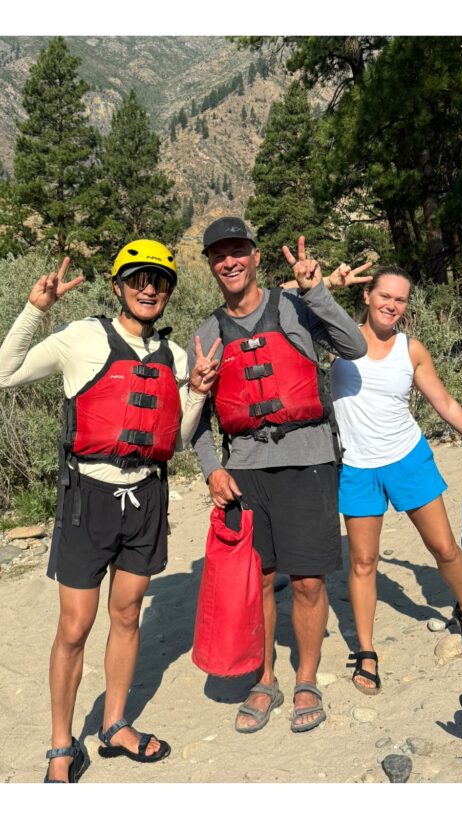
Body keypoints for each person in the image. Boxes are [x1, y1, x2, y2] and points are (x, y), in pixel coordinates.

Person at [0, 241, 219, 782]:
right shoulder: (83, 338)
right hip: (88, 502)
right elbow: (4, 374)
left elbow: (180, 440)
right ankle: (59, 746)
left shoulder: (176, 357)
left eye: (160, 281)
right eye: (138, 278)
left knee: (127, 614)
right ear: (118, 285)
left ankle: (115, 725)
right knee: (74, 627)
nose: (149, 288)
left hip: (146, 498)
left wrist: (195, 392)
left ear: (168, 292)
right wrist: (36, 309)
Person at [189, 217, 367, 734]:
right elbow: (195, 417)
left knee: (309, 580)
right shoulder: (207, 333)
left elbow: (353, 345)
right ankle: (265, 677)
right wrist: (211, 470)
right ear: (211, 265)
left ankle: (306, 678)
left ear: (255, 255)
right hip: (245, 471)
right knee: (260, 581)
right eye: (220, 254)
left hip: (309, 460)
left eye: (238, 249)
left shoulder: (293, 305)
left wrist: (318, 292)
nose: (230, 261)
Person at [329, 267, 462, 695]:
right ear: (367, 295)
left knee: (443, 547)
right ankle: (366, 650)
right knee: (363, 563)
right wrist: (326, 284)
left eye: (400, 300)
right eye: (385, 296)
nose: (392, 305)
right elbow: (279, 303)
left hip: (407, 459)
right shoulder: (335, 340)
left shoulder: (411, 349)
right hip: (357, 467)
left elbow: (444, 401)